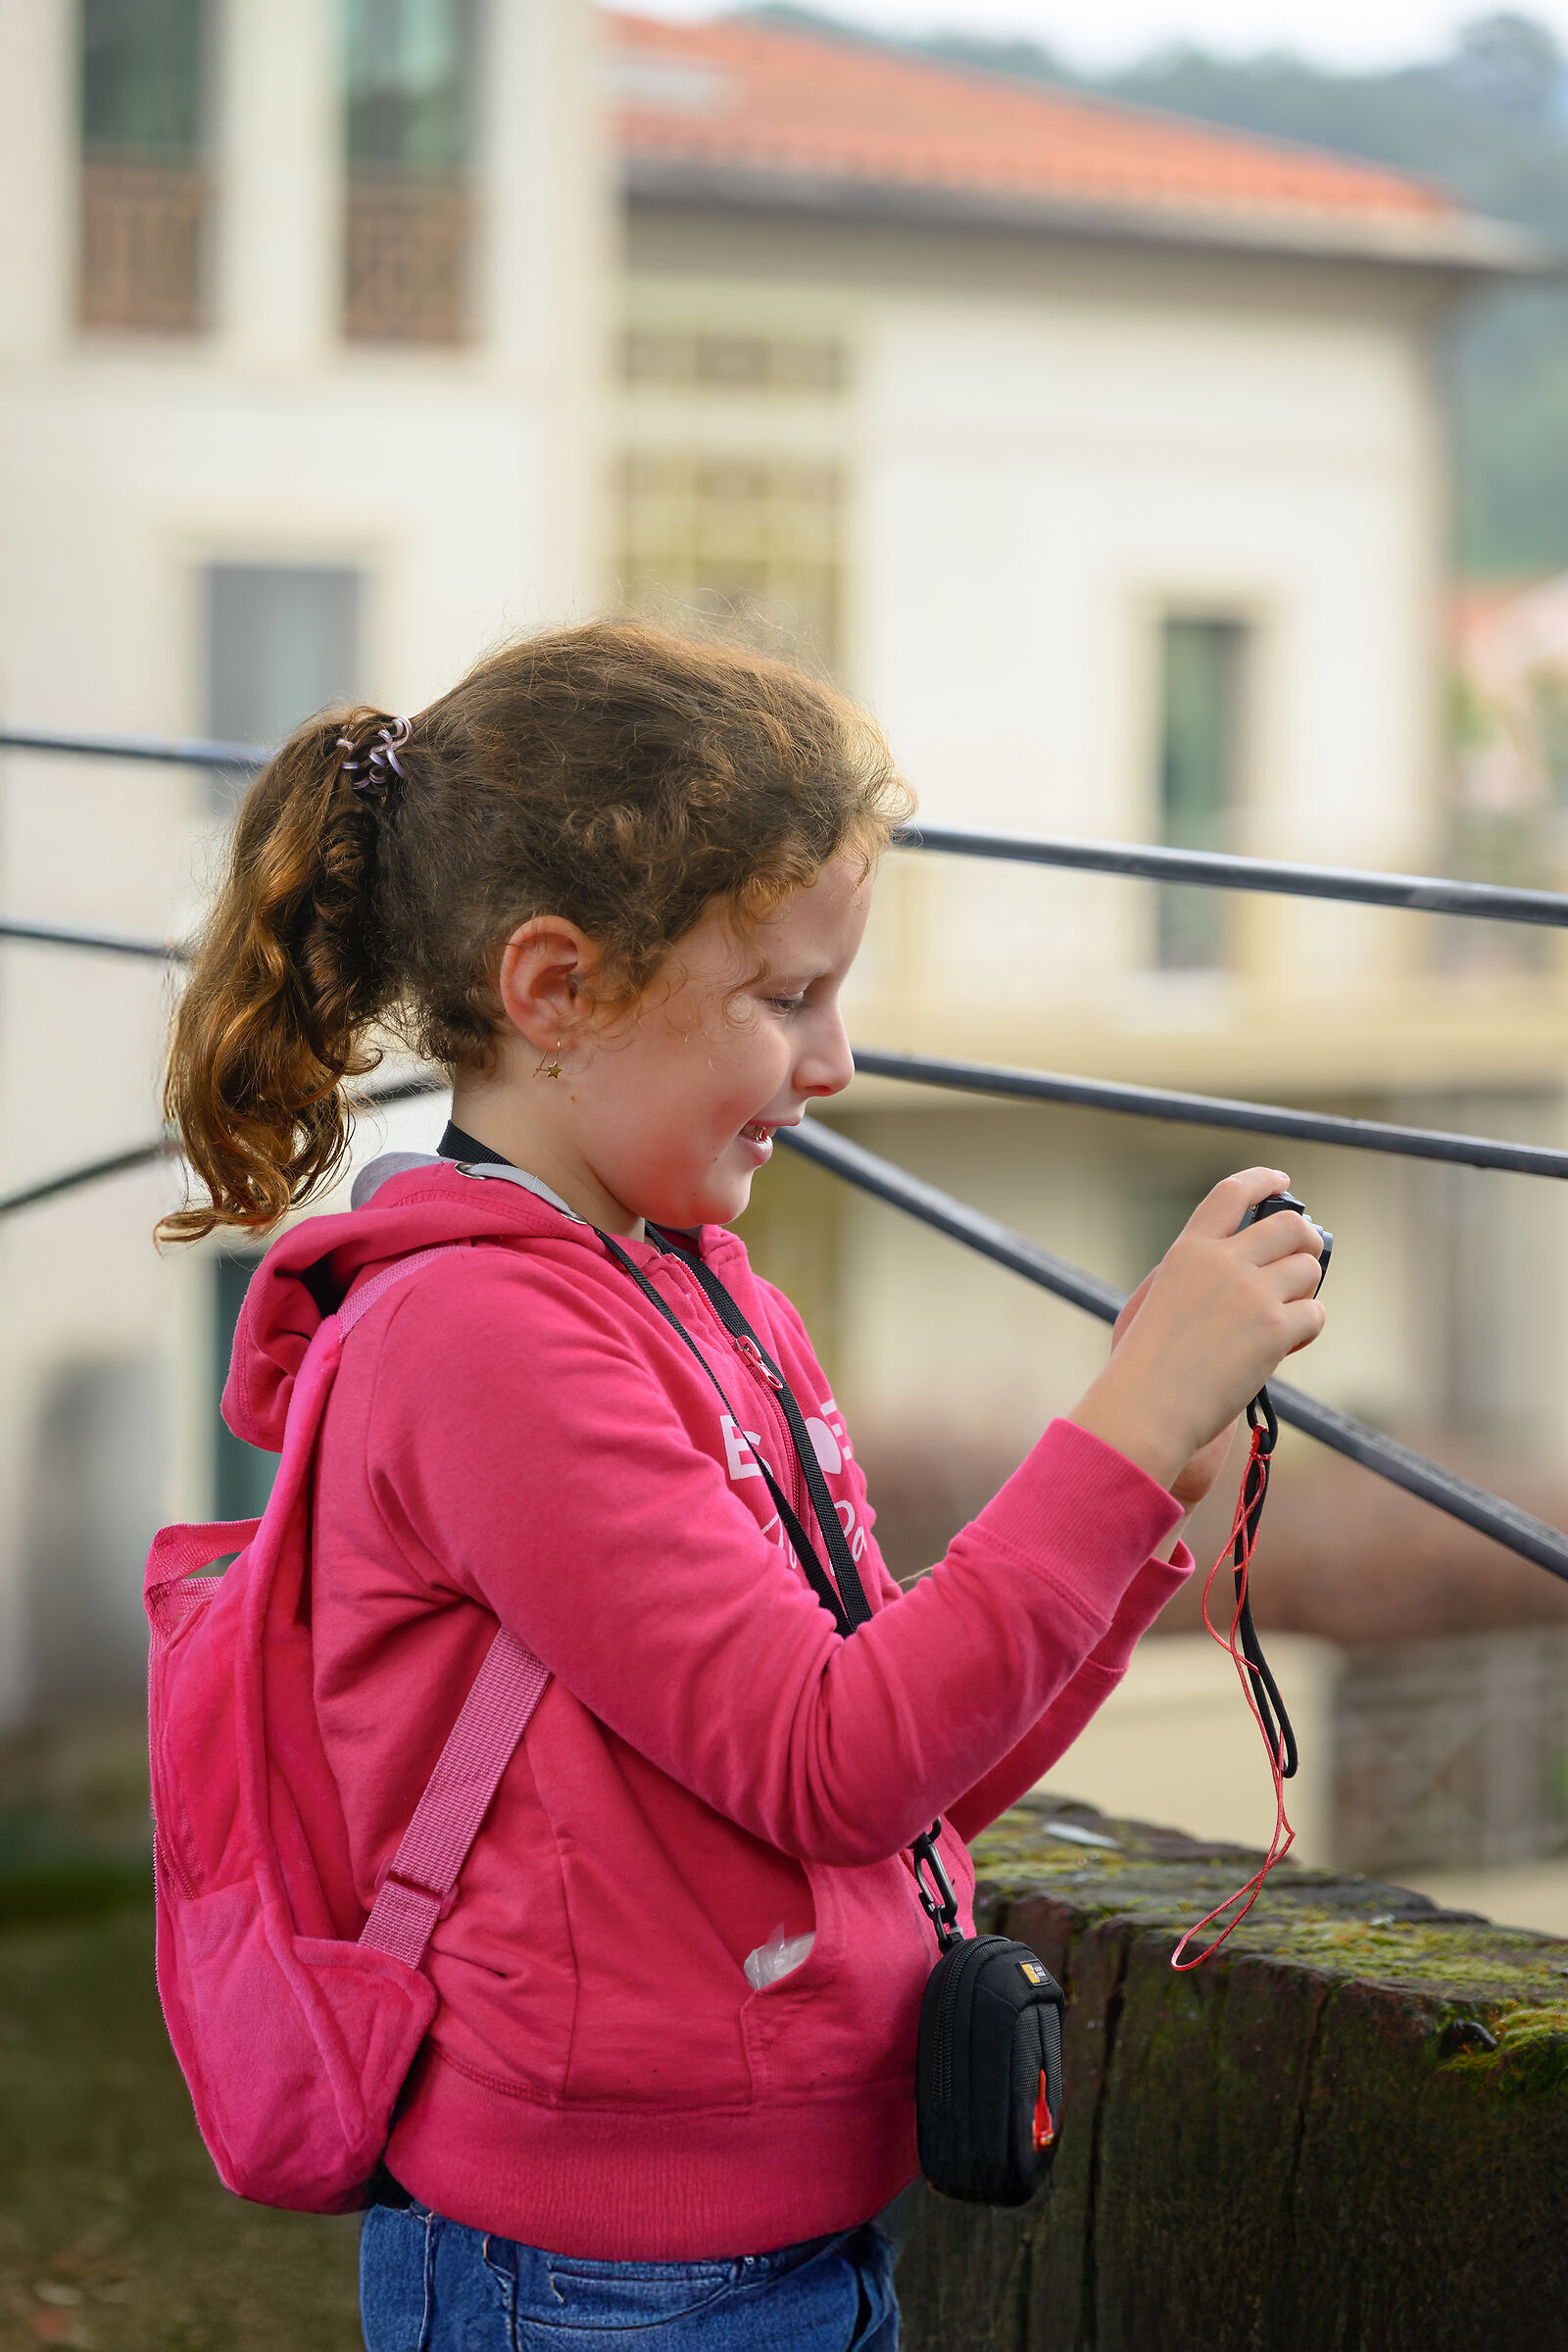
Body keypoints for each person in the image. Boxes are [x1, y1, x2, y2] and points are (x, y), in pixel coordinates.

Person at [161, 621, 1325, 2352]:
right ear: (556, 990)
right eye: (786, 999)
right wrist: (1118, 1426)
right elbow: (830, 1758)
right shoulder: (478, 1340)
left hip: (788, 2237)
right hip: (594, 2280)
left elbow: (906, 1782)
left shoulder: (703, 1292)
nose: (835, 1062)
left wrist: (1143, 1482)